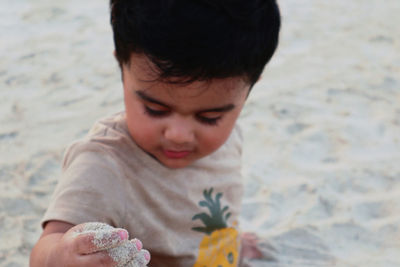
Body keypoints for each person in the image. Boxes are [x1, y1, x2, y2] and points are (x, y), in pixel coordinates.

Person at [30, 0, 281, 266]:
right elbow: (49, 242)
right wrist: (61, 256)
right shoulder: (102, 164)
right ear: (122, 66)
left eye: (209, 117)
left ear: (249, 88)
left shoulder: (229, 135)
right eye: (155, 109)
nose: (178, 135)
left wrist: (231, 241)